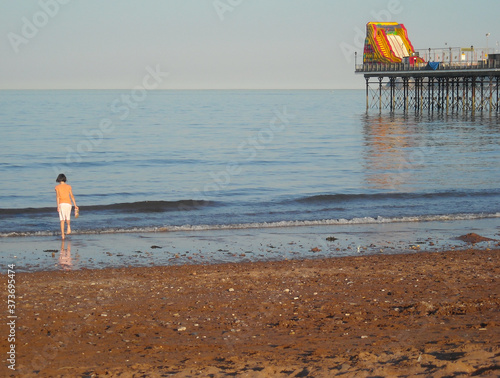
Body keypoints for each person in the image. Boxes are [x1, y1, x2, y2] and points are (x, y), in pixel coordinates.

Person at [55, 173, 78, 240]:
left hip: (62, 204)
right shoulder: (68, 186)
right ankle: (68, 226)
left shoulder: (57, 187)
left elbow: (57, 197)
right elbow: (72, 196)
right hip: (69, 204)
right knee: (68, 217)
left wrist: (57, 206)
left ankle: (63, 235)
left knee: (62, 220)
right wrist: (75, 205)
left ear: (58, 179)